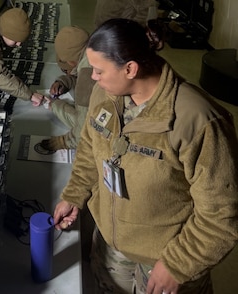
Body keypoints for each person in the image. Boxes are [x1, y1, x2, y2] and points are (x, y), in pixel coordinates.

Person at [53, 18, 238, 294]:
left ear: (130, 69)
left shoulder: (197, 121)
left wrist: (179, 264)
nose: (92, 77)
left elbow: (221, 214)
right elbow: (90, 147)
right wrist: (74, 193)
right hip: (112, 247)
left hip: (165, 260)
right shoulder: (104, 95)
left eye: (99, 70)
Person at [40, 26, 96, 151]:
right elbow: (79, 76)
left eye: (66, 70)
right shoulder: (95, 47)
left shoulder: (88, 74)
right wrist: (65, 81)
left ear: (71, 62)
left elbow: (83, 127)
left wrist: (55, 105)